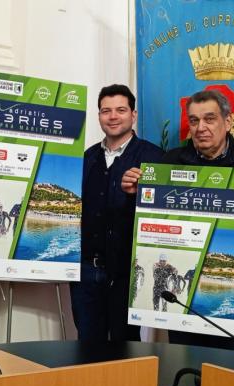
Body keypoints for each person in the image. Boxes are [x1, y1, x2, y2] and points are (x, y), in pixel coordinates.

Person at [121, 89, 234, 348]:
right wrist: (133, 196)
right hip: (183, 293)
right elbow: (149, 222)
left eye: (209, 119)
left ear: (227, 122)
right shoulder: (170, 162)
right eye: (194, 120)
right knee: (185, 363)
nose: (201, 127)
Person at [70, 84, 164, 342]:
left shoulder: (154, 158)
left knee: (126, 346)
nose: (113, 116)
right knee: (87, 343)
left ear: (133, 115)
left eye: (120, 110)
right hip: (86, 271)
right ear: (99, 115)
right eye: (106, 111)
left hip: (128, 273)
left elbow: (166, 215)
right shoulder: (87, 157)